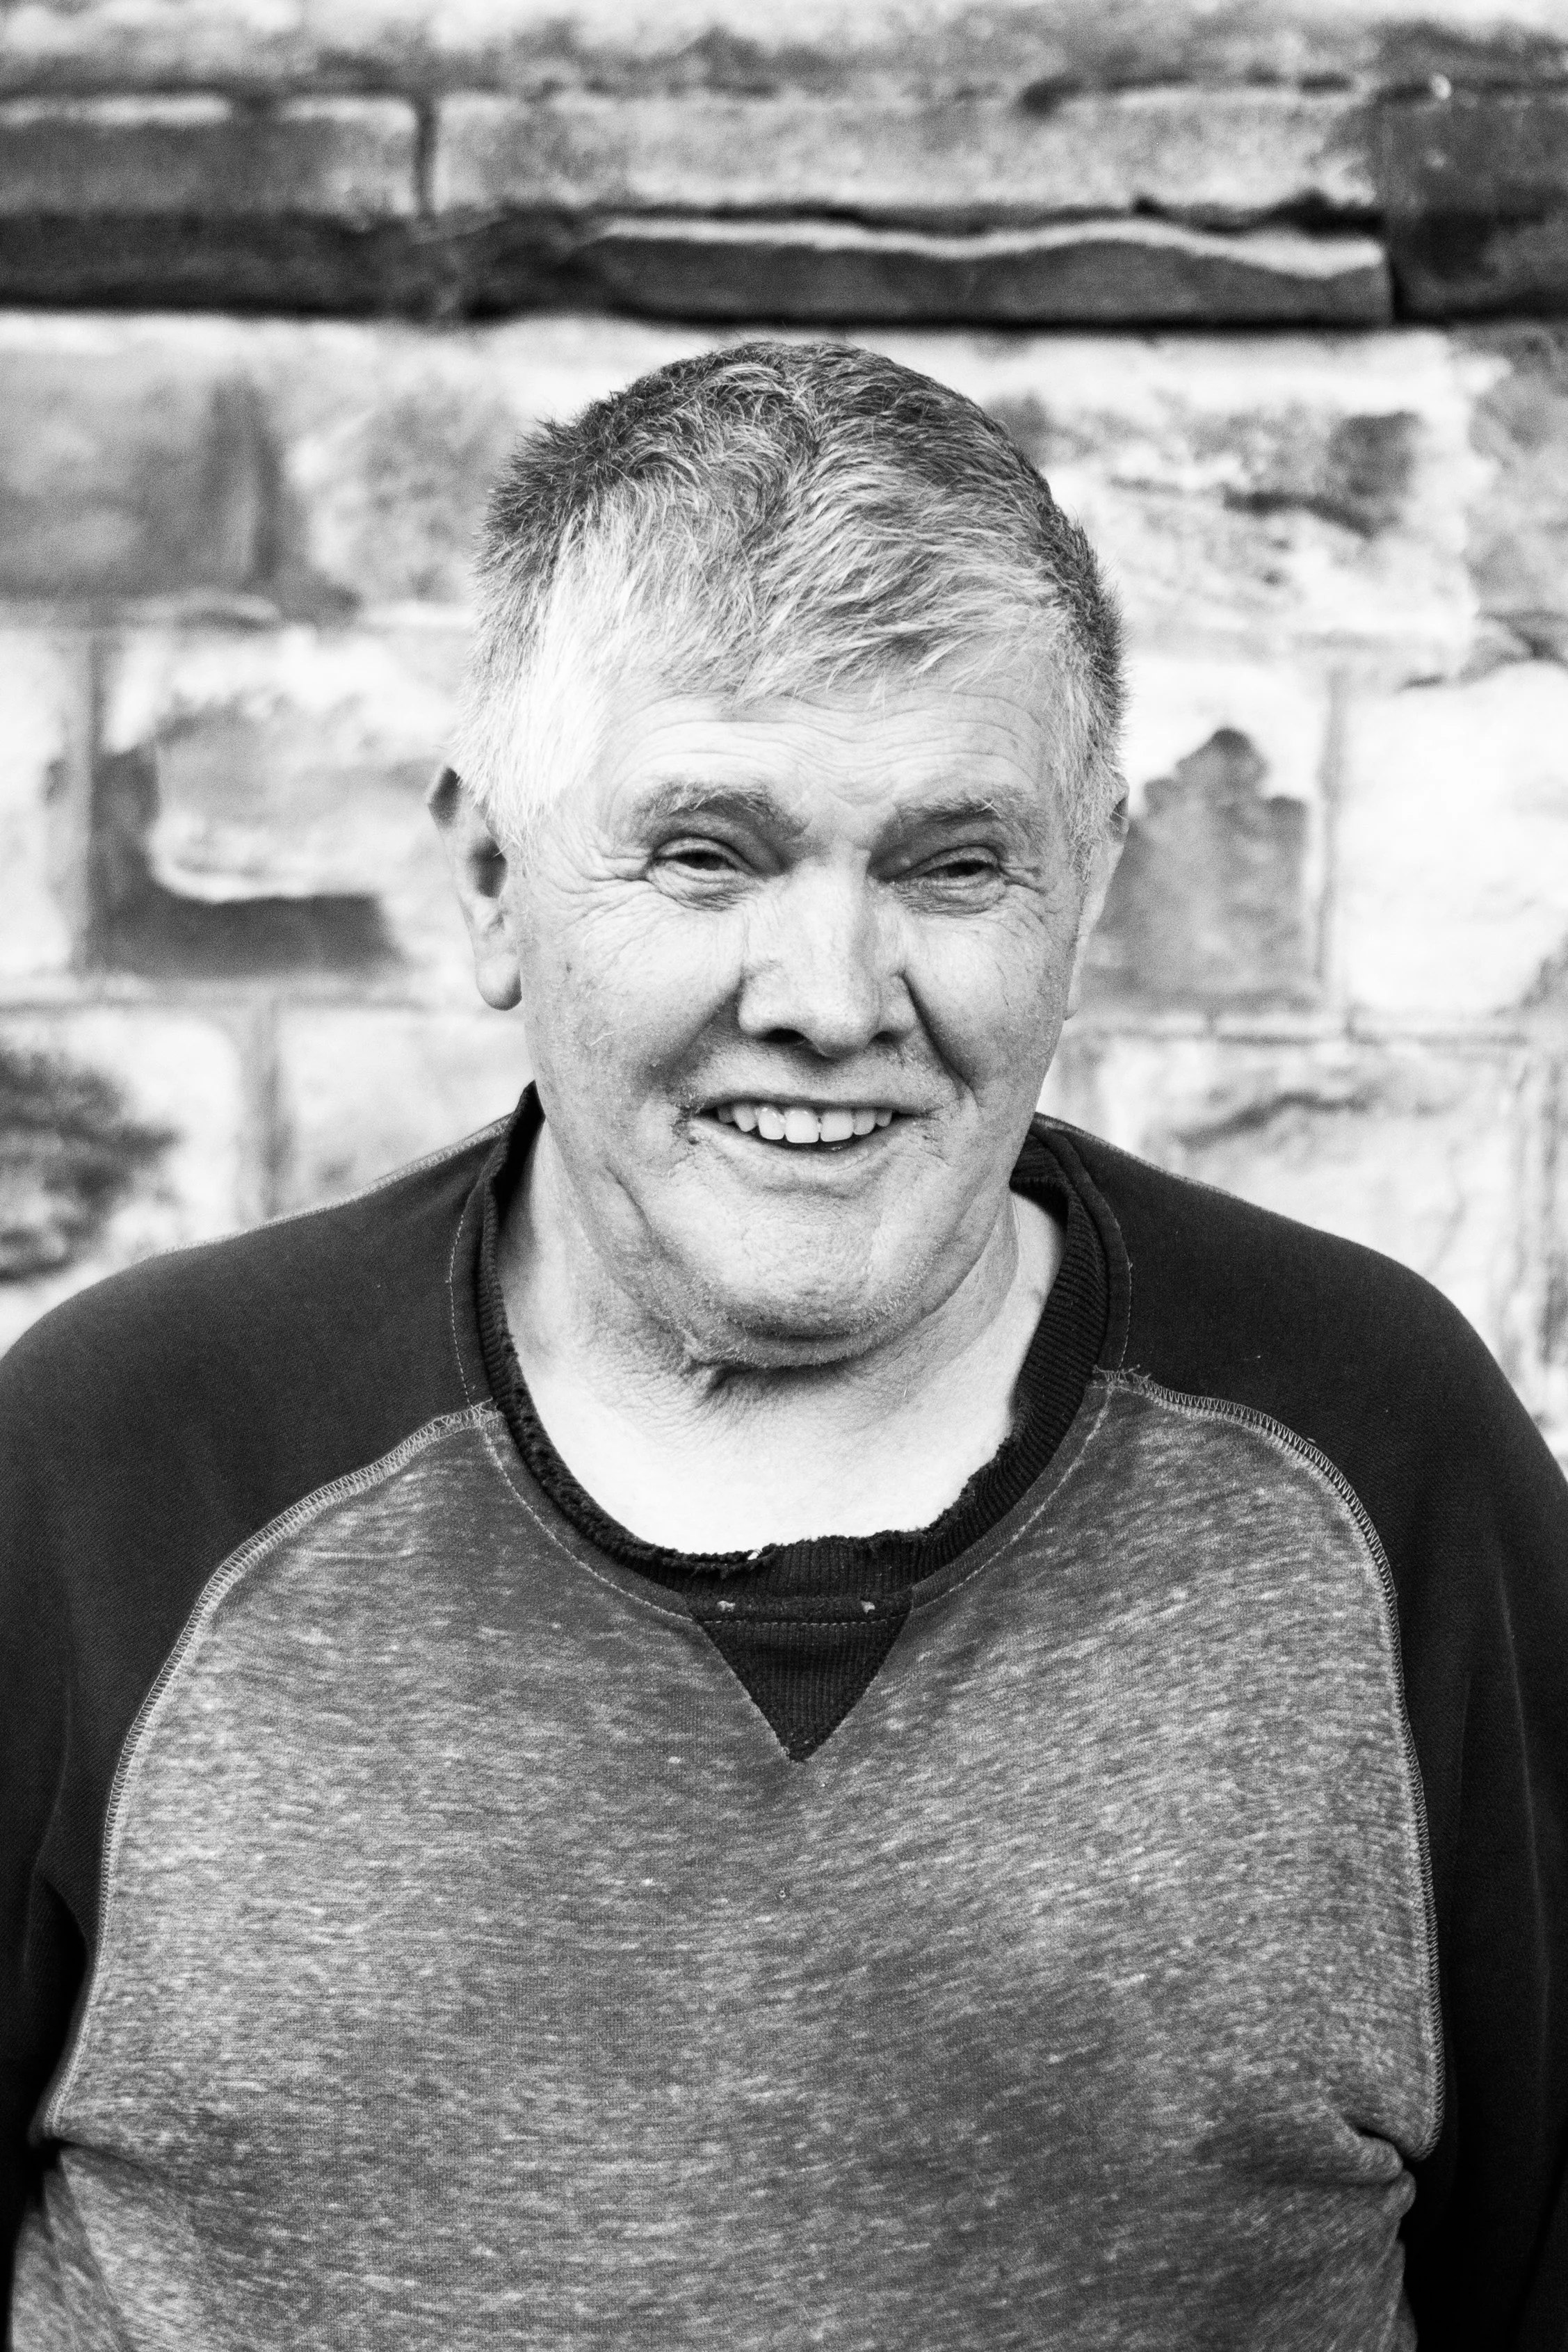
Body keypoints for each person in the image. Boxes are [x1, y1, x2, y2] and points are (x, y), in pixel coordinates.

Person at [1, 341, 1565, 2352]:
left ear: (1091, 875)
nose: (828, 995)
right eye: (707, 851)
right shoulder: (121, 1474)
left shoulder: (1377, 1462)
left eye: (950, 860)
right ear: (490, 877)